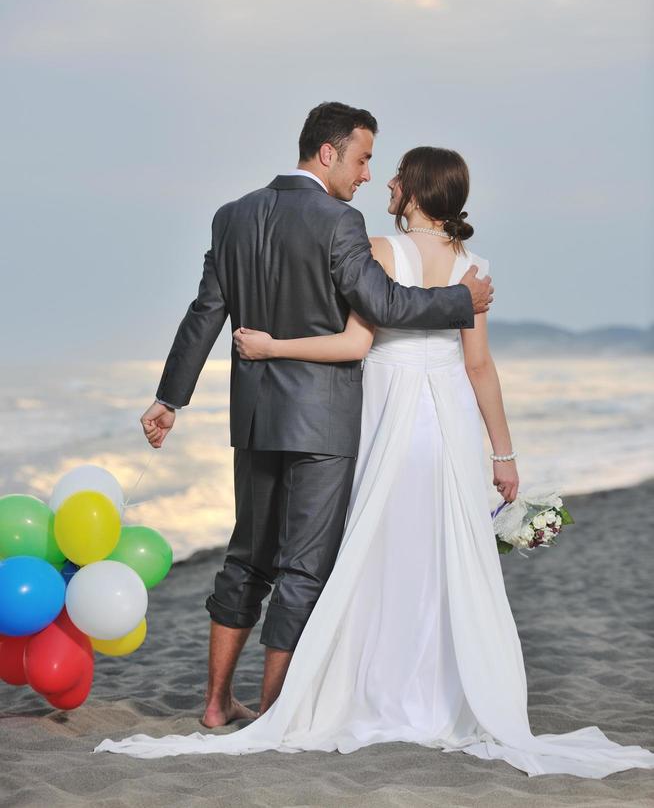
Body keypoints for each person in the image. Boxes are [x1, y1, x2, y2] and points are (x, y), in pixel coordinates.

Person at [96, 146, 654, 778]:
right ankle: (430, 693)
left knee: (359, 553)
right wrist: (503, 453)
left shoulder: (379, 247)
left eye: (391, 175)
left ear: (413, 193)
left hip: (389, 418)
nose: (378, 179)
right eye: (368, 161)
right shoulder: (474, 267)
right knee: (437, 556)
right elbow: (480, 368)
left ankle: (289, 695)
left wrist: (270, 346)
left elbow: (363, 335)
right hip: (448, 425)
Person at [132, 104, 492, 730]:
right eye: (361, 158)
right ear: (328, 153)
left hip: (253, 417)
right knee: (303, 565)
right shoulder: (339, 221)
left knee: (246, 556)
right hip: (322, 421)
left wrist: (170, 400)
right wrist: (460, 298)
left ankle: (216, 705)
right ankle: (275, 712)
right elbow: (381, 302)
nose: (365, 174)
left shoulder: (232, 215)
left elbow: (204, 313)